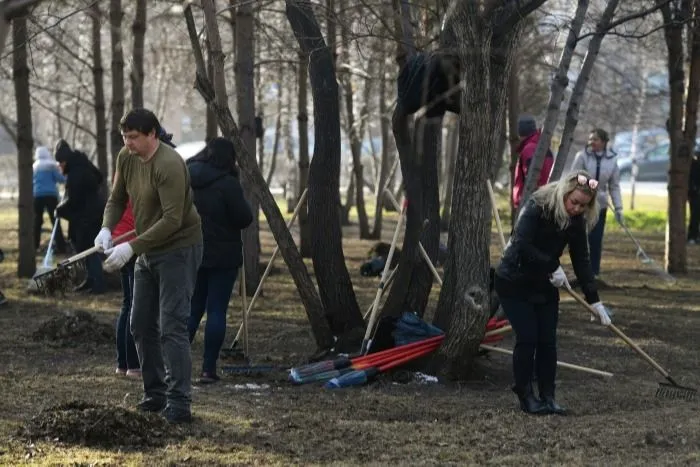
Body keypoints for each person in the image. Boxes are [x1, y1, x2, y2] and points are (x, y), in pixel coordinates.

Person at [96, 108, 203, 424]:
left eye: (134, 137)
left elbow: (172, 220)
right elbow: (116, 200)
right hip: (148, 249)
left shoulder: (169, 164)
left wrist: (130, 247)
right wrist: (106, 228)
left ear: (152, 134)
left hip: (179, 249)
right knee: (140, 322)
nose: (128, 143)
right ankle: (155, 395)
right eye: (124, 137)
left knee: (172, 326)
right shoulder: (126, 158)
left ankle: (179, 403)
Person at [494, 170, 613, 415]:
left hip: (544, 284)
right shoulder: (537, 207)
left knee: (548, 341)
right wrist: (552, 265)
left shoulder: (576, 221)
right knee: (528, 338)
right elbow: (521, 243)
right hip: (514, 280)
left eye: (583, 206)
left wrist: (595, 301)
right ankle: (525, 395)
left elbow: (581, 260)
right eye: (574, 202)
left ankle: (548, 396)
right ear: (564, 193)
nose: (577, 208)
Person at [187, 137, 253, 384]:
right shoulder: (228, 183)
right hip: (224, 255)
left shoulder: (187, 176)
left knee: (193, 308)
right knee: (216, 310)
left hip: (193, 251)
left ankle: (175, 364)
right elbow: (244, 218)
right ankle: (207, 369)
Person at [54, 140, 107, 294]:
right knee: (84, 247)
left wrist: (60, 210)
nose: (59, 166)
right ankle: (90, 279)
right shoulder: (82, 163)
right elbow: (98, 178)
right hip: (92, 211)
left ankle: (98, 283)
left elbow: (74, 200)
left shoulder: (75, 173)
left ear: (65, 160)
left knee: (89, 249)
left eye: (60, 162)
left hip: (88, 215)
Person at [570, 128, 623, 278]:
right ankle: (579, 272)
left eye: (595, 139)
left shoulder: (612, 160)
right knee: (579, 238)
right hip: (581, 203)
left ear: (604, 142)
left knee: (595, 239)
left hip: (600, 205)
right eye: (590, 139)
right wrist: (589, 187)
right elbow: (574, 178)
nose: (591, 142)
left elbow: (614, 185)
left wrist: (619, 208)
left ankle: (594, 273)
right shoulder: (582, 157)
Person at [511, 114, 554, 213]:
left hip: (530, 201)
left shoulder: (529, 149)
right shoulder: (543, 147)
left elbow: (531, 177)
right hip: (540, 199)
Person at [33, 146, 68, 254]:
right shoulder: (51, 165)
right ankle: (61, 246)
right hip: (50, 196)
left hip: (37, 196)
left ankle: (35, 246)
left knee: (37, 222)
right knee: (55, 221)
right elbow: (60, 179)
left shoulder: (34, 166)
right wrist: (68, 178)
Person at [688, 150, 700, 244]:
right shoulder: (695, 165)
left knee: (695, 216)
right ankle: (693, 235)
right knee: (695, 216)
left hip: (694, 193)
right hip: (695, 194)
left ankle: (694, 235)